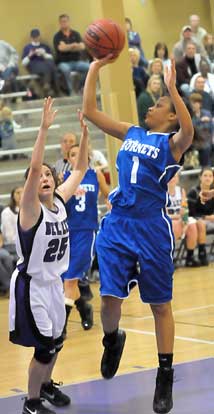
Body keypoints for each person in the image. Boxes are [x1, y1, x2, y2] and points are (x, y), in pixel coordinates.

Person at [82, 55, 194, 414]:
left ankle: (164, 375)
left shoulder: (171, 144)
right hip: (117, 224)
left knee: (160, 304)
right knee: (109, 299)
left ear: (171, 116)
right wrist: (95, 68)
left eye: (159, 104)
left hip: (150, 228)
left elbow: (190, 132)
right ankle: (113, 340)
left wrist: (173, 89)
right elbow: (88, 112)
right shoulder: (131, 132)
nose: (151, 107)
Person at [9, 97, 88, 414]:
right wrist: (43, 129)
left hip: (54, 283)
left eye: (47, 174)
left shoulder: (59, 200)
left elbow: (80, 168)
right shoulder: (31, 208)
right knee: (43, 348)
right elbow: (32, 171)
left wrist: (84, 134)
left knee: (57, 339)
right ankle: (30, 402)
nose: (42, 177)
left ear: (55, 180)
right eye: (37, 174)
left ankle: (45, 384)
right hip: (32, 286)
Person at [62, 144, 109, 337]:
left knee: (70, 281)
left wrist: (112, 204)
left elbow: (109, 195)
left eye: (80, 153)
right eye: (72, 155)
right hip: (66, 232)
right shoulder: (63, 178)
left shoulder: (95, 175)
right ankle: (84, 307)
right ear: (68, 159)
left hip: (86, 232)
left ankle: (60, 327)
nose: (77, 157)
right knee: (67, 280)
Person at [167, 173, 199, 267]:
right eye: (170, 176)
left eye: (175, 176)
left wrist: (184, 221)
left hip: (179, 219)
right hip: (166, 220)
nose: (172, 178)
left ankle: (190, 257)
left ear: (178, 179)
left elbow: (185, 209)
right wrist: (178, 217)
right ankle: (169, 259)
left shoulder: (181, 190)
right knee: (175, 224)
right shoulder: (161, 191)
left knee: (192, 225)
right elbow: (163, 213)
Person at [53, 14, 89, 95]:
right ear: (59, 23)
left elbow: (82, 47)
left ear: (69, 22)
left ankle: (80, 87)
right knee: (65, 70)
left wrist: (67, 46)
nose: (64, 23)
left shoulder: (75, 34)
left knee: (89, 67)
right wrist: (74, 45)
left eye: (65, 21)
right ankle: (71, 91)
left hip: (77, 61)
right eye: (62, 22)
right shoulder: (57, 36)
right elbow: (61, 49)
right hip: (63, 63)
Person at [22, 29, 61, 97]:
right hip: (34, 65)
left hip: (46, 64)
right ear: (31, 37)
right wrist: (30, 55)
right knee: (50, 67)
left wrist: (44, 54)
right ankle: (54, 88)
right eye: (34, 37)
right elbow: (24, 63)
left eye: (37, 36)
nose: (35, 38)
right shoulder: (27, 47)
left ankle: (48, 86)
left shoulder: (45, 46)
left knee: (51, 65)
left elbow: (51, 58)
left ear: (39, 36)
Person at [187, 167, 214, 265]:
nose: (208, 178)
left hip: (211, 220)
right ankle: (202, 254)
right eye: (205, 175)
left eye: (210, 176)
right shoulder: (193, 191)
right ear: (200, 177)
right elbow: (191, 212)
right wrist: (206, 217)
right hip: (196, 219)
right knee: (201, 224)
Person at [189, 92, 213, 166]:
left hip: (207, 138)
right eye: (193, 103)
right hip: (195, 140)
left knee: (208, 145)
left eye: (197, 102)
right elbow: (191, 128)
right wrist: (201, 121)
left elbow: (211, 127)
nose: (195, 105)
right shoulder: (189, 115)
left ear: (200, 104)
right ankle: (206, 168)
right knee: (206, 148)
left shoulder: (207, 113)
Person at [1, 186, 23, 262]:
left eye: (23, 192)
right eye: (18, 193)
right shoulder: (7, 212)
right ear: (13, 196)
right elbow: (9, 237)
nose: (21, 195)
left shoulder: (30, 209)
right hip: (11, 245)